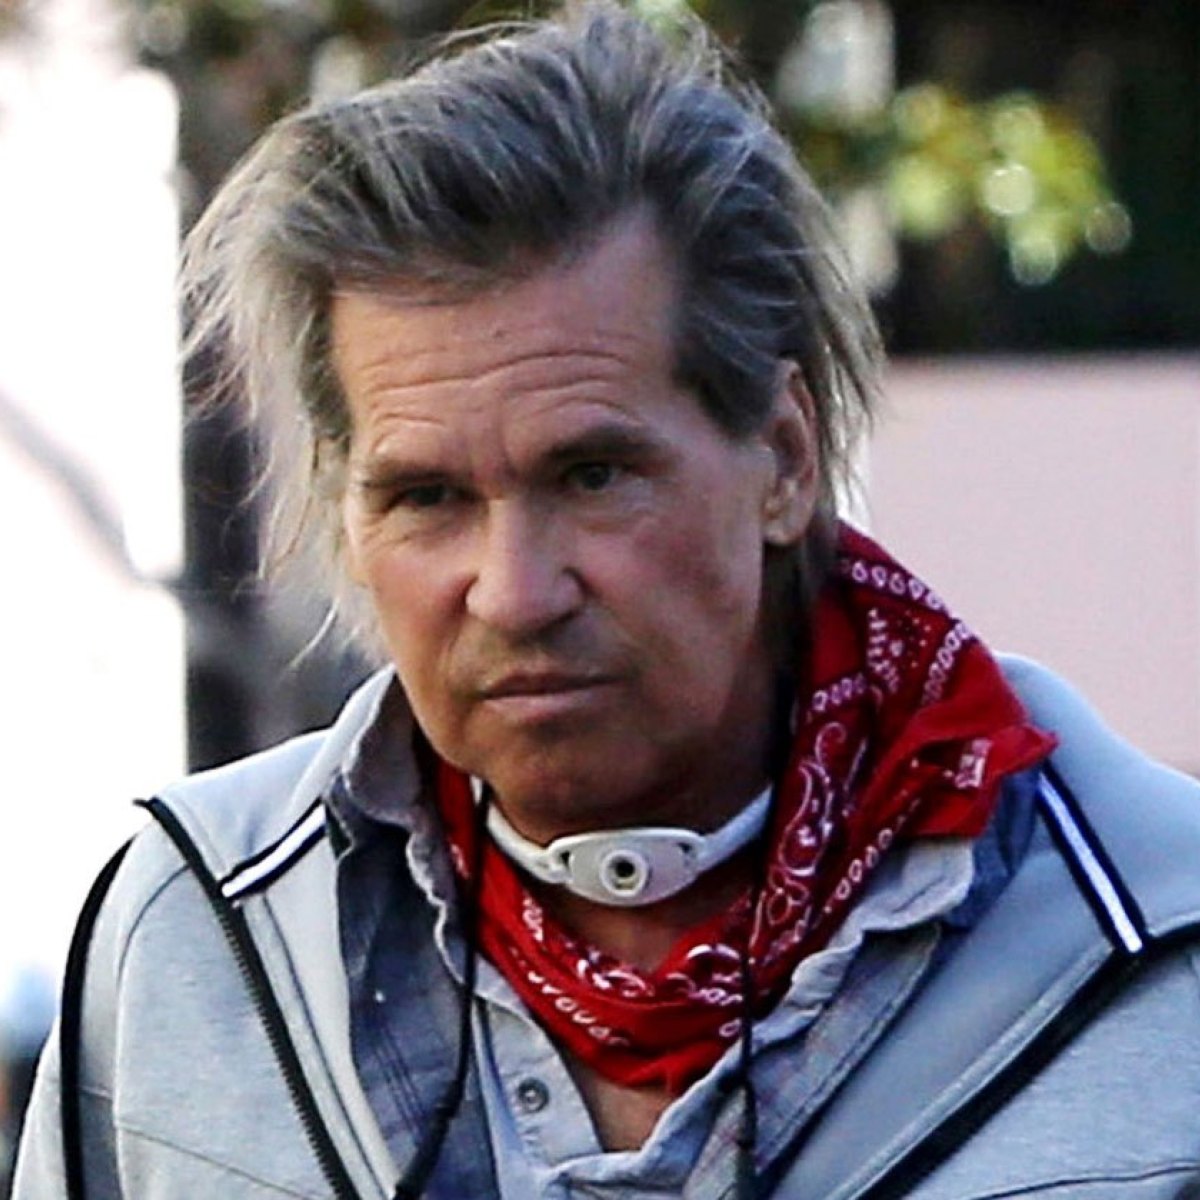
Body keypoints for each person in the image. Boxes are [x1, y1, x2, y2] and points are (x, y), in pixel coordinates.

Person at [14, 4, 1200, 1197]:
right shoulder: (196, 943)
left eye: (592, 475)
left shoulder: (1160, 952)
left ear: (786, 458)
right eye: (426, 497)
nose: (516, 593)